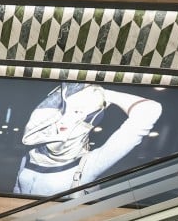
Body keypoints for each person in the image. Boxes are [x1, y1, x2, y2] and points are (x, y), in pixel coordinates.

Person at [13, 83, 162, 197]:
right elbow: (17, 192)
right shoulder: (32, 153)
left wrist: (102, 94)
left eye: (76, 113)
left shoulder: (89, 165)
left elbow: (150, 109)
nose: (61, 126)